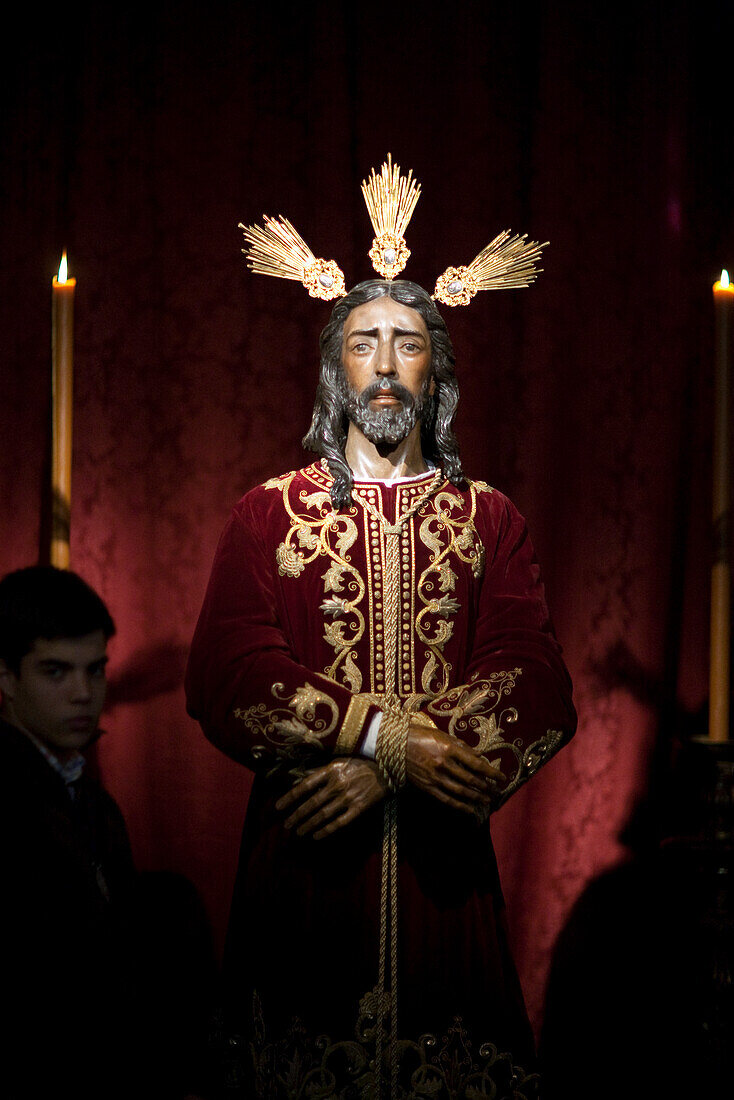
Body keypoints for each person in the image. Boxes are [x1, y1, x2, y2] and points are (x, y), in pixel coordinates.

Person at [186, 272, 577, 1099]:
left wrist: (384, 764)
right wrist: (379, 734)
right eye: (365, 343)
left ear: (437, 373)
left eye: (410, 343)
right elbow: (228, 669)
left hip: (444, 873)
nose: (388, 363)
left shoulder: (488, 519)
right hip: (305, 866)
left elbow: (534, 680)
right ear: (337, 371)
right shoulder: (267, 515)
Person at [0, 565, 212, 1099]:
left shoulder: (92, 801)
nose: (82, 693)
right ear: (5, 677)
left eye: (94, 671)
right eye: (55, 672)